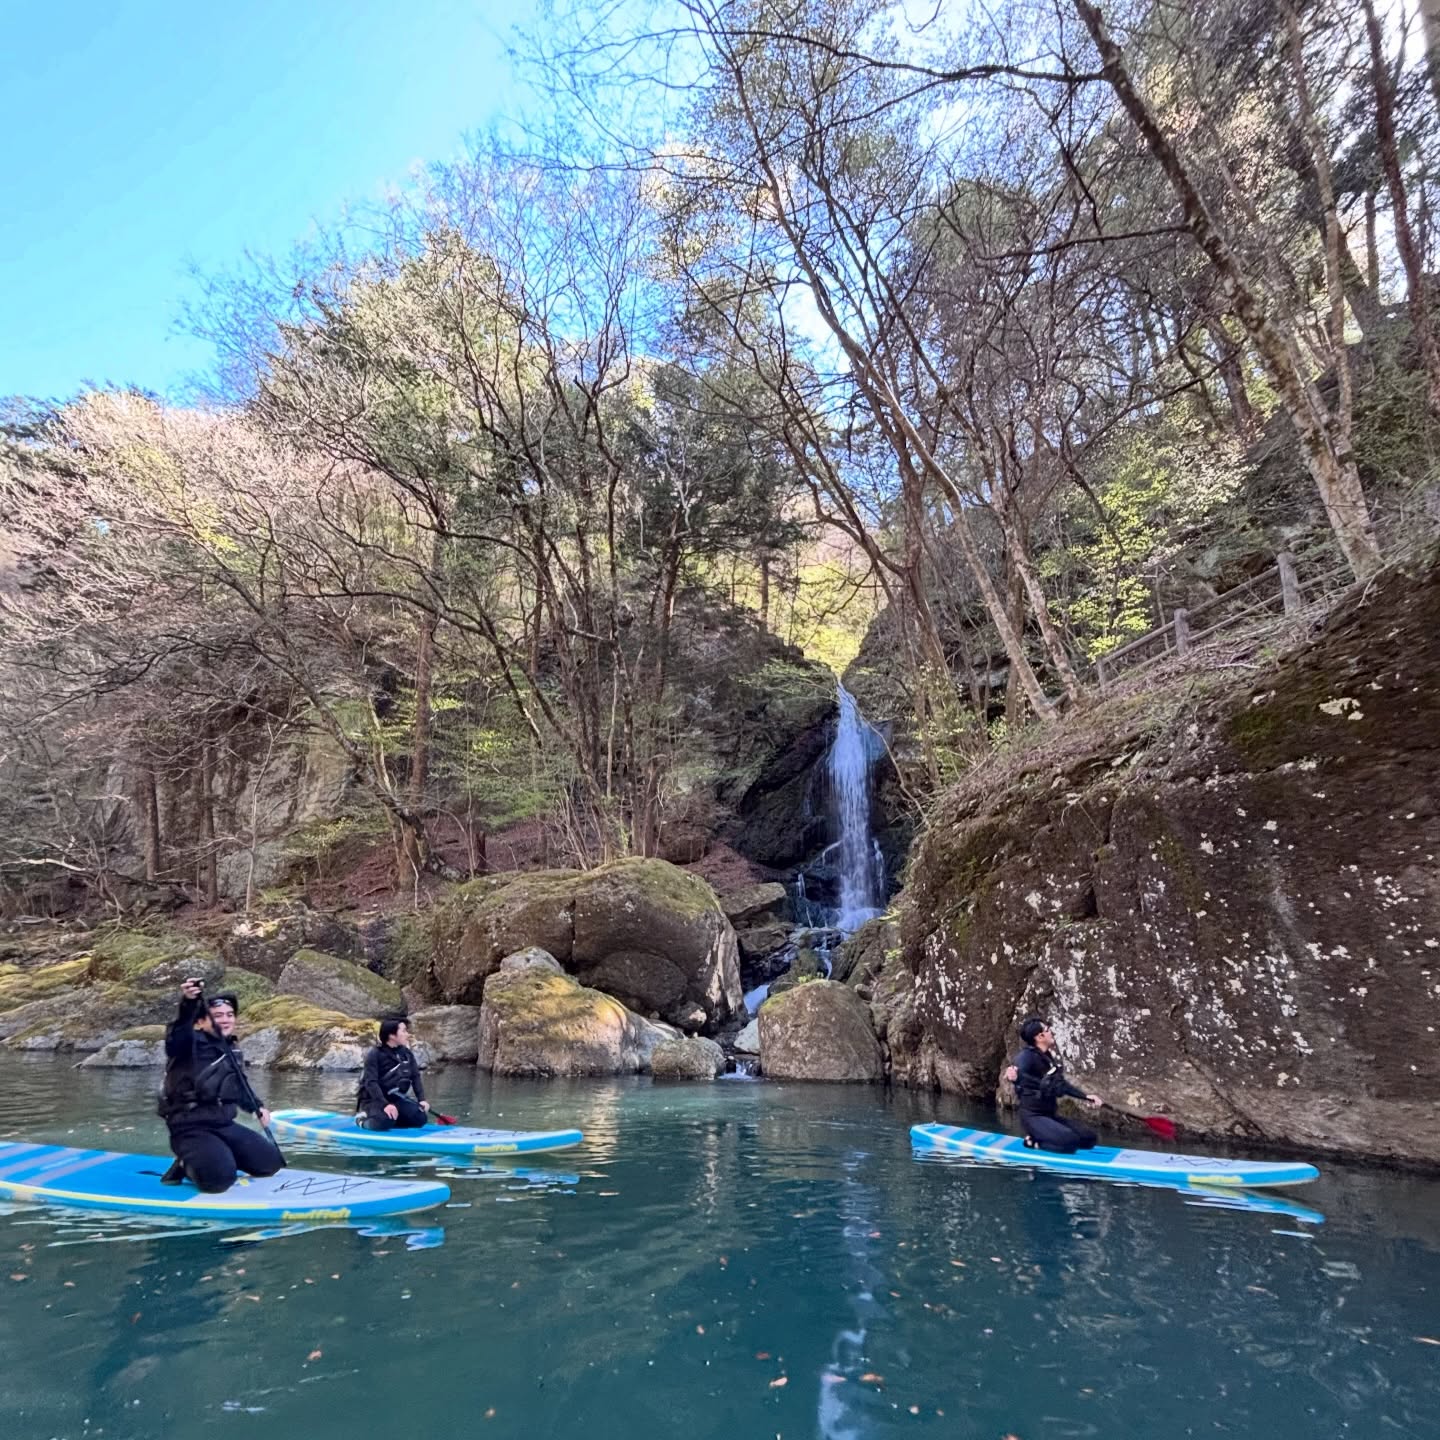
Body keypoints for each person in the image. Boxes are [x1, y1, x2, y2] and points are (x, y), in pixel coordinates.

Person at [158, 978, 284, 1192]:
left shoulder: (230, 1048)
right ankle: (185, 1163)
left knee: (270, 1164)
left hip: (223, 1124)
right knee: (218, 1182)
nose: (225, 1020)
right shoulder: (187, 1046)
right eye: (217, 1016)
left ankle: (217, 1155)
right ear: (199, 1023)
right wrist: (189, 1003)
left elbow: (239, 1084)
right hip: (190, 1128)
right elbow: (178, 1033)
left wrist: (257, 1107)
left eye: (229, 1015)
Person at [1004, 1016, 1103, 1154]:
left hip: (1049, 1115)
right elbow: (1016, 1071)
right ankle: (1033, 1142)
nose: (1051, 1032)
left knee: (1089, 1138)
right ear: (1040, 1037)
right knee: (1069, 1141)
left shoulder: (1047, 1057)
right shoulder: (1026, 1057)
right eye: (1048, 1030)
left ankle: (1046, 1137)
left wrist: (1086, 1097)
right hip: (1033, 1116)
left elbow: (1061, 1085)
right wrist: (1012, 1076)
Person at [357, 1018, 430, 1130]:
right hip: (374, 1101)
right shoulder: (375, 1054)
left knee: (420, 1118)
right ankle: (362, 1120)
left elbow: (415, 1077)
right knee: (385, 1121)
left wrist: (422, 1100)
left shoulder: (406, 1053)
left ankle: (392, 1120)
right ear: (392, 1035)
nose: (407, 1034)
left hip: (396, 1100)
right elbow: (371, 1082)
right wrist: (385, 1105)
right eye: (404, 1031)